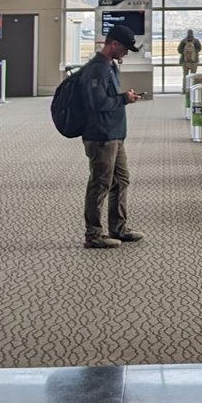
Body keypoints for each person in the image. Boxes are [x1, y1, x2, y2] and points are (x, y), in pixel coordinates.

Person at [76, 24, 144, 249]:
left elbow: (108, 98)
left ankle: (118, 227)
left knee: (121, 180)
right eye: (125, 49)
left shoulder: (110, 66)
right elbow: (97, 104)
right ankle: (93, 234)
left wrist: (124, 97)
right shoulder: (96, 69)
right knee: (100, 184)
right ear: (113, 44)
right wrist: (124, 98)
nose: (126, 53)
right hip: (101, 136)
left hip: (115, 134)